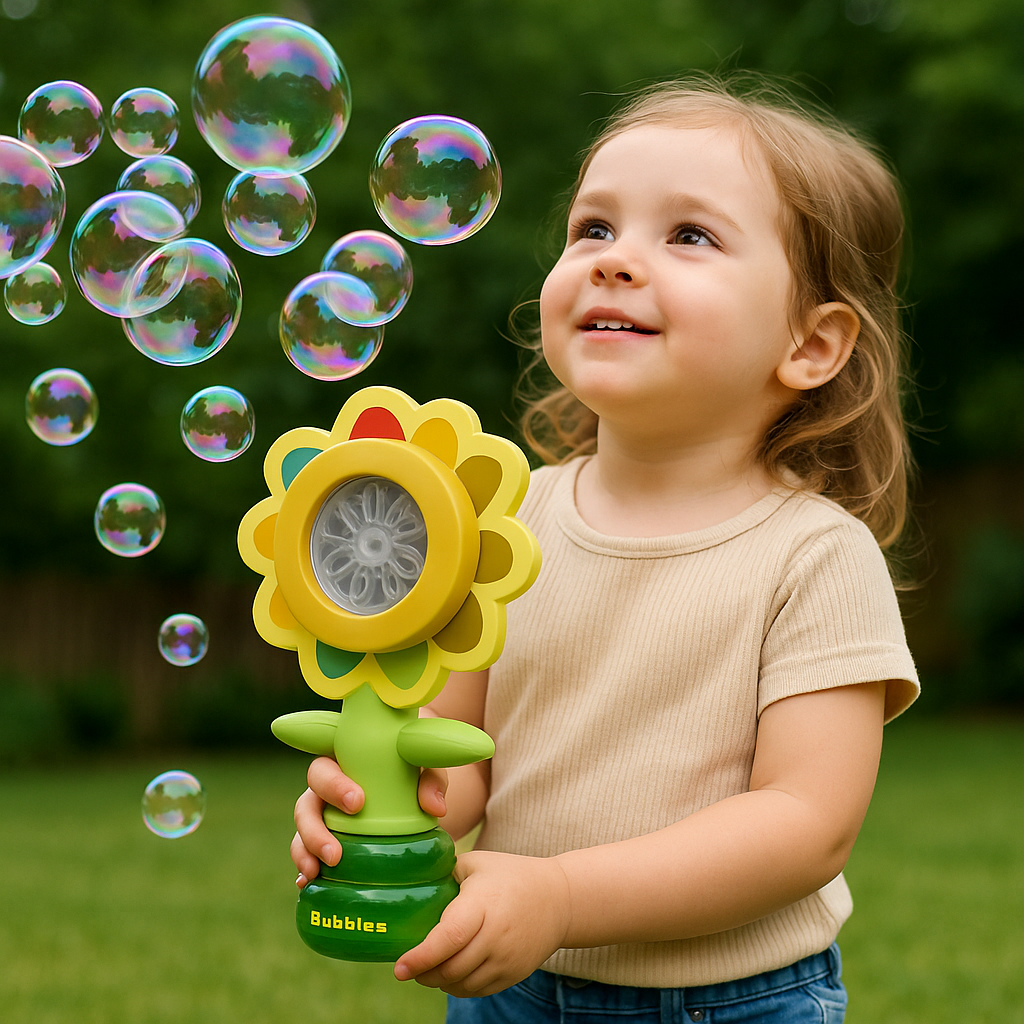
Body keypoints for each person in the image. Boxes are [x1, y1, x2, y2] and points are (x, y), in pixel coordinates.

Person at [291, 72, 920, 1023]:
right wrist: (383, 808)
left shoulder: (815, 557)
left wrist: (564, 898)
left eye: (690, 235)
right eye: (594, 228)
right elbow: (459, 762)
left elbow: (805, 827)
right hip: (513, 986)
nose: (616, 261)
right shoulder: (496, 530)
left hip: (732, 1001)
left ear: (811, 343)